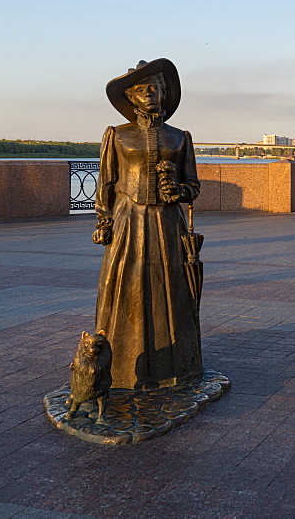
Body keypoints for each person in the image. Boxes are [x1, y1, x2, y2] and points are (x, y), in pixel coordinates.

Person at [92, 58, 202, 390]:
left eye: (155, 88)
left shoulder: (180, 138)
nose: (150, 95)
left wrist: (177, 190)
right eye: (141, 90)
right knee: (126, 286)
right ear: (132, 98)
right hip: (128, 219)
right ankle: (121, 369)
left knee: (169, 288)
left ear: (164, 92)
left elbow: (193, 187)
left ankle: (175, 369)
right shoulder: (118, 136)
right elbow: (107, 182)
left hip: (168, 223)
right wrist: (104, 220)